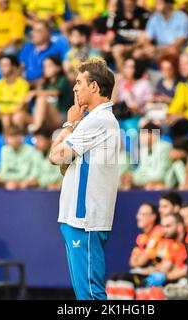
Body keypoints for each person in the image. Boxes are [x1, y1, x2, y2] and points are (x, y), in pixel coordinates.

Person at [48, 57, 120, 300]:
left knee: (90, 296)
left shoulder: (98, 120)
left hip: (84, 220)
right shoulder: (96, 120)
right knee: (86, 294)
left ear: (94, 87)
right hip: (79, 220)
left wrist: (69, 124)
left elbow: (55, 156)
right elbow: (65, 164)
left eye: (79, 82)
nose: (74, 88)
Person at [20, 56, 74, 133]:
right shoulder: (45, 84)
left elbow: (56, 92)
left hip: (62, 117)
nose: (46, 69)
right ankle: (21, 138)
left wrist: (35, 92)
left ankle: (36, 129)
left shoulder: (63, 80)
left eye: (49, 66)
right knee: (19, 116)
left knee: (41, 99)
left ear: (58, 68)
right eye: (44, 66)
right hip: (46, 119)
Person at [0, 125, 39, 190]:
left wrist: (6, 178)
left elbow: (24, 174)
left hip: (25, 180)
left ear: (21, 137)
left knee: (11, 185)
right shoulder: (4, 150)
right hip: (8, 178)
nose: (14, 140)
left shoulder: (30, 150)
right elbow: (3, 171)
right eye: (11, 137)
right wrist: (5, 178)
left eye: (16, 136)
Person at [122, 121, 171, 190]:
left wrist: (135, 179)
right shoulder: (144, 149)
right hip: (147, 181)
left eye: (143, 134)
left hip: (163, 182)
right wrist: (131, 176)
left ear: (153, 135)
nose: (139, 137)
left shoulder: (165, 147)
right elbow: (142, 169)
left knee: (151, 186)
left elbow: (160, 174)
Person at [19, 20, 68, 85]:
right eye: (33, 30)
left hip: (47, 86)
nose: (34, 34)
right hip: (25, 85)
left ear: (48, 33)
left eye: (38, 31)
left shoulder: (55, 50)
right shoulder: (27, 47)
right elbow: (21, 67)